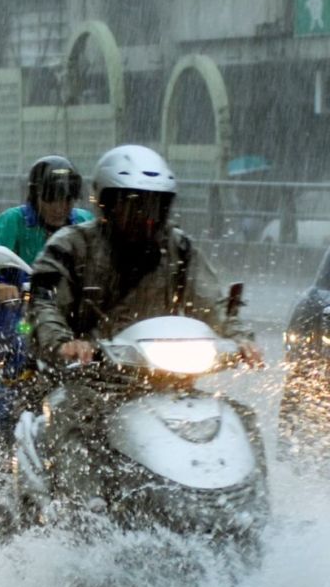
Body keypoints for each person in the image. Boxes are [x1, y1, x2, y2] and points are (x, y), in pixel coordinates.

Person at [26, 144, 262, 501]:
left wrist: (238, 337)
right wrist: (64, 342)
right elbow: (44, 302)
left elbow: (212, 302)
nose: (143, 215)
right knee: (70, 422)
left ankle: (251, 511)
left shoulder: (179, 248)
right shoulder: (72, 246)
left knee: (241, 417)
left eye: (154, 205)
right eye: (132, 204)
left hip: (167, 379)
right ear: (107, 204)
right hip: (95, 378)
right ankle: (79, 515)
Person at [0, 156, 93, 445]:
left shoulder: (84, 224)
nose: (61, 206)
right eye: (52, 197)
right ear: (35, 196)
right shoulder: (13, 222)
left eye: (67, 198)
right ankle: (1, 440)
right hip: (9, 317)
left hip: (66, 317)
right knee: (18, 353)